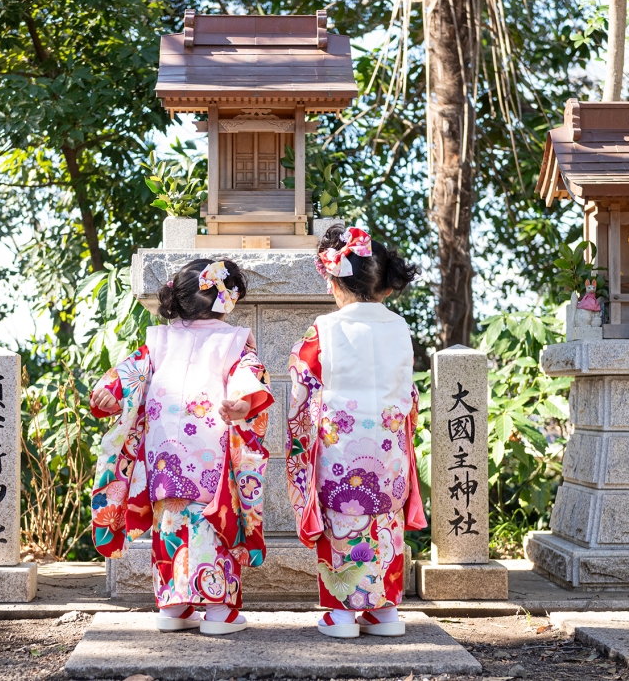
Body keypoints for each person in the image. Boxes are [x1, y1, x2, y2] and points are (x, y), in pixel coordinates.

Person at [89, 258, 274, 635]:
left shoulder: (158, 340)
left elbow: (127, 374)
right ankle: (220, 611)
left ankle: (174, 606)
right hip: (211, 450)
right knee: (214, 518)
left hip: (164, 456)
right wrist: (241, 404)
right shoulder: (233, 340)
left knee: (170, 521)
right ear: (228, 300)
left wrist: (109, 394)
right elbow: (247, 375)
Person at [286, 225, 427, 639]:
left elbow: (302, 382)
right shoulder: (399, 328)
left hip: (340, 448)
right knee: (385, 520)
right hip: (388, 446)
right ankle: (384, 612)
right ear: (380, 283)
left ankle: (341, 614)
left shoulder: (323, 331)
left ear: (333, 280)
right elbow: (410, 392)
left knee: (342, 520)